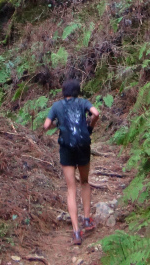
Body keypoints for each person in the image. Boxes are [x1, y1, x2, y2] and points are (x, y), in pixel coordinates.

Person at [43, 79, 100, 246]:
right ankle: (87, 219)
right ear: (77, 91)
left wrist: (57, 125)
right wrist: (90, 127)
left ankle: (76, 232)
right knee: (84, 182)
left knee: (70, 188)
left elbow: (46, 125)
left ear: (63, 91)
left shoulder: (57, 106)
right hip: (82, 145)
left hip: (66, 148)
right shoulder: (83, 102)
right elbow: (96, 113)